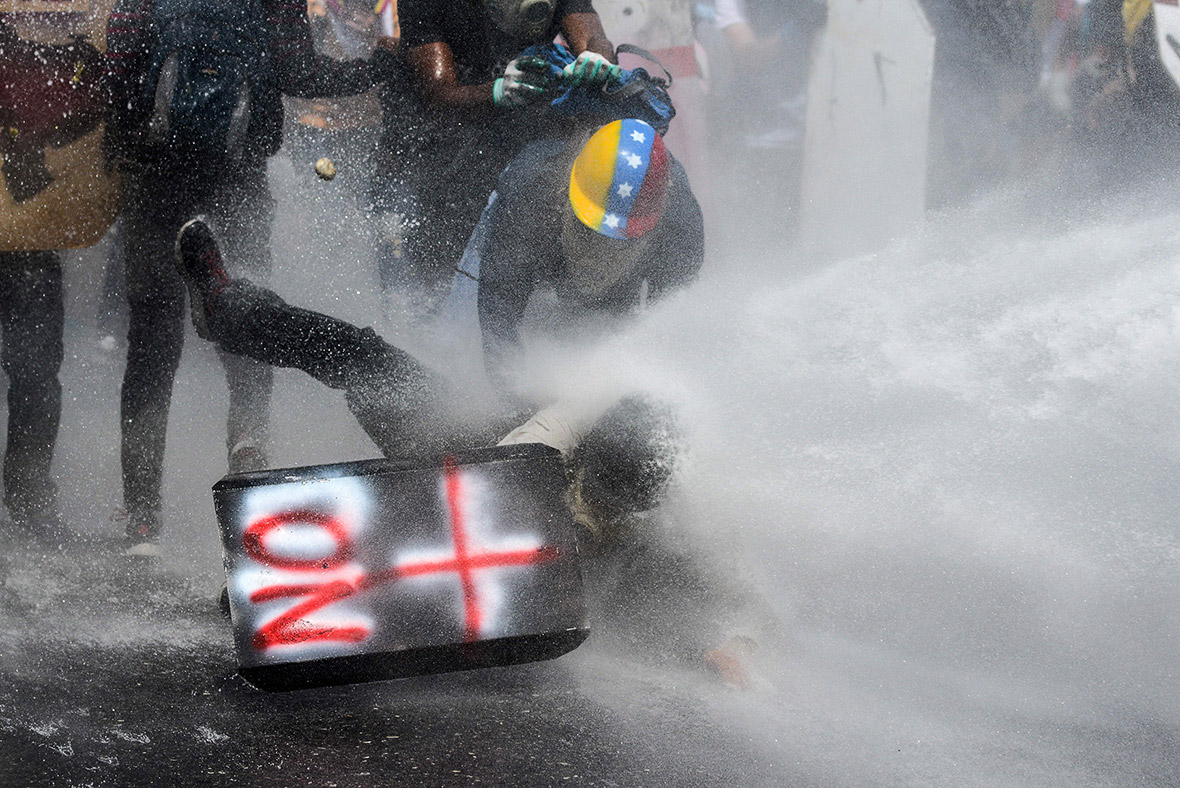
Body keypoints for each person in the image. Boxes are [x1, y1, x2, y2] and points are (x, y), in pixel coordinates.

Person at [104, 0, 401, 553]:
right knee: (246, 339)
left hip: (155, 185)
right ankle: (249, 502)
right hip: (238, 185)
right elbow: (304, 76)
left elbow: (117, 74)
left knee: (151, 346)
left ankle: (142, 518)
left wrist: (122, 154)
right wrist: (381, 63)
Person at [393, 0, 617, 297]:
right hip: (452, 137)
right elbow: (438, 95)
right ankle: (430, 319)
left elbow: (592, 37)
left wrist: (596, 58)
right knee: (441, 256)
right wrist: (496, 92)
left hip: (529, 124)